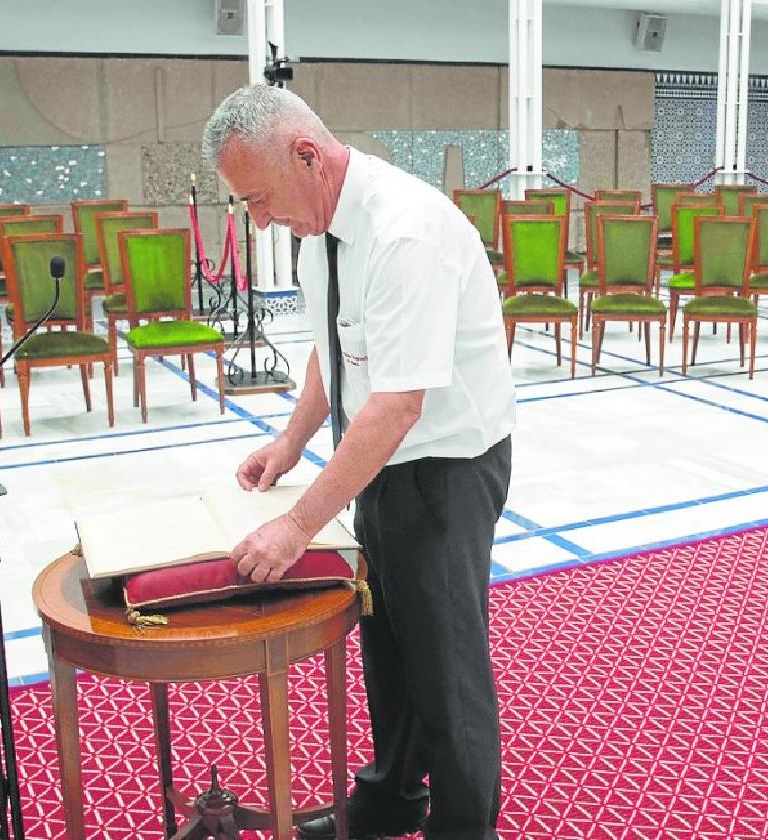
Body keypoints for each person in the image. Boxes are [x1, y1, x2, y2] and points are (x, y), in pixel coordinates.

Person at [202, 84, 516, 840]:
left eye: (259, 197)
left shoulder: (404, 231)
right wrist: (289, 443)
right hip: (377, 459)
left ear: (308, 155)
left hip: (445, 468)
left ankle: (465, 827)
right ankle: (388, 806)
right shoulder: (323, 231)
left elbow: (398, 404)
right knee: (391, 649)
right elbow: (333, 350)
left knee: (445, 667)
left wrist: (297, 525)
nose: (260, 219)